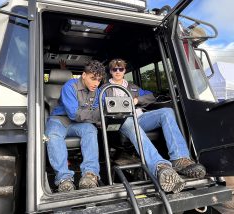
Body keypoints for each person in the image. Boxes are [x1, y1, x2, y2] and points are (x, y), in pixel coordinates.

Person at [104, 58, 206, 193]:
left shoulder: (133, 87)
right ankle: (159, 166)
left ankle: (180, 159)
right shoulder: (105, 89)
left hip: (139, 117)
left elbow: (151, 97)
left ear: (124, 70)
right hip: (121, 122)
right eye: (114, 69)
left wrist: (137, 100)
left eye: (120, 69)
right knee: (130, 121)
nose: (117, 72)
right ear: (110, 71)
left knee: (167, 112)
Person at [45, 60, 106, 192]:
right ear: (83, 75)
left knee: (91, 129)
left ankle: (90, 175)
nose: (96, 83)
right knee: (53, 135)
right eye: (93, 78)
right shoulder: (70, 86)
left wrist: (97, 116)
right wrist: (97, 115)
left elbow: (97, 110)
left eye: (99, 80)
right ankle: (64, 178)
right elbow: (74, 114)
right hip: (59, 120)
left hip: (80, 124)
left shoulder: (98, 91)